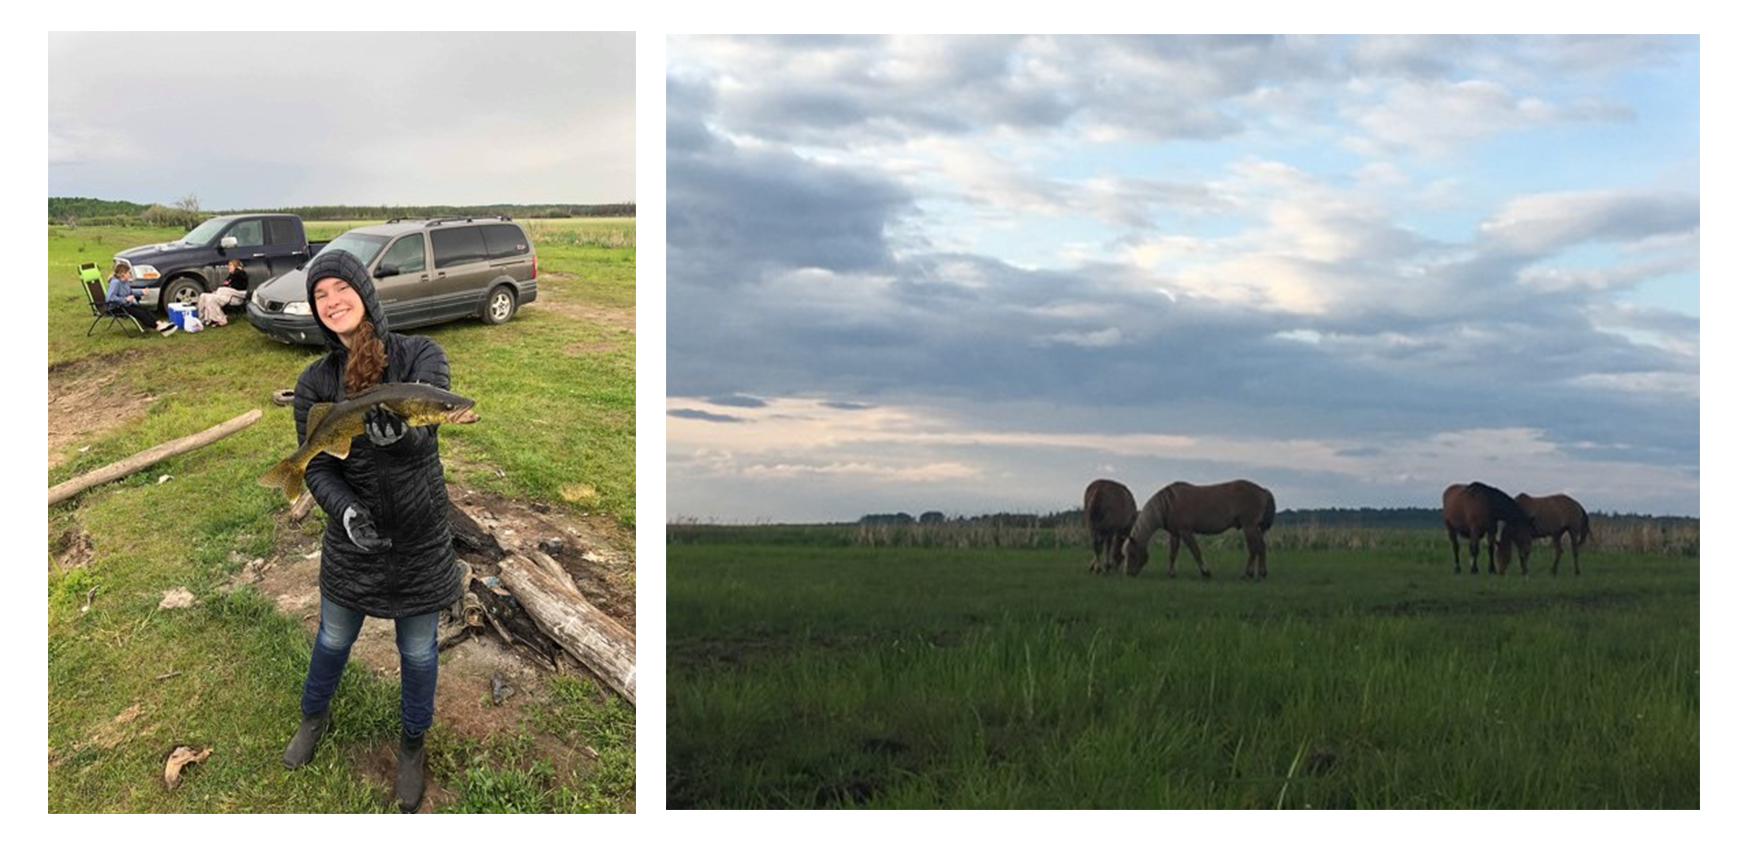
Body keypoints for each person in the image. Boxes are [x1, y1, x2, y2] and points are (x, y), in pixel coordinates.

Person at [278, 249, 467, 813]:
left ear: (365, 291)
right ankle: (314, 716)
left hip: (419, 534)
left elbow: (426, 440)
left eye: (341, 288)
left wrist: (401, 439)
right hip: (351, 540)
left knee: (417, 648)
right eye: (320, 295)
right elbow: (318, 466)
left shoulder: (420, 355)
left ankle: (413, 745)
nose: (332, 301)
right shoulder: (315, 381)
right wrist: (346, 513)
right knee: (333, 637)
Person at [105, 262, 176, 336]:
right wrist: (125, 299)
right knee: (140, 313)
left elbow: (130, 291)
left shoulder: (124, 282)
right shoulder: (115, 283)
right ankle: (159, 327)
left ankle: (160, 324)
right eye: (129, 273)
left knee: (145, 310)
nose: (130, 274)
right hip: (116, 307)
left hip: (125, 305)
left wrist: (141, 292)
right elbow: (109, 298)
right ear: (123, 274)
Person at [198, 259, 250, 326]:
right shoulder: (230, 276)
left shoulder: (240, 274)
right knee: (203, 296)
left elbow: (240, 284)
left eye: (231, 265)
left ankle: (221, 319)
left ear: (236, 266)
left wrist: (237, 269)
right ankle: (202, 318)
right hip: (223, 294)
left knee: (210, 298)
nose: (228, 267)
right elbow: (224, 285)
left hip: (234, 296)